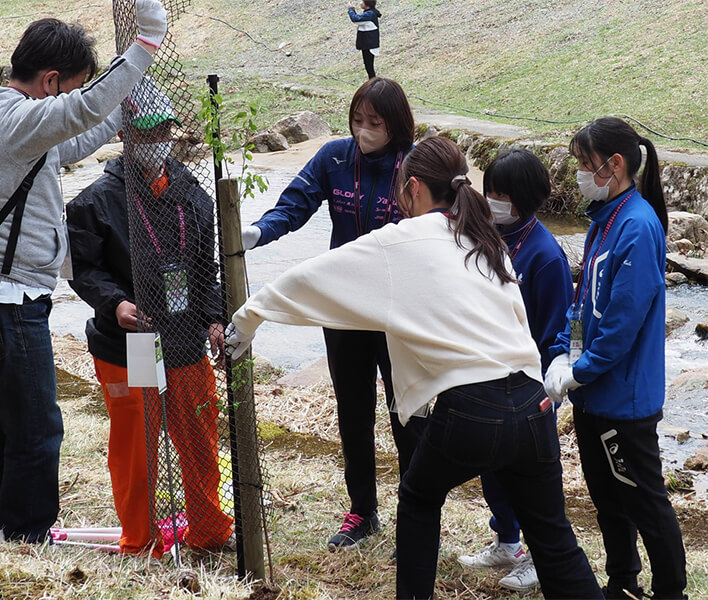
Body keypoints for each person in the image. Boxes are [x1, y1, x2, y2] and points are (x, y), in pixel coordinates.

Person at [227, 136, 604, 599]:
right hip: (532, 403)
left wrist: (246, 319)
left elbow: (311, 278)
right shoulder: (486, 238)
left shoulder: (401, 240)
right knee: (555, 538)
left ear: (413, 188)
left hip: (470, 407)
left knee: (419, 499)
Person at [0, 4, 166, 544]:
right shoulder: (14, 119)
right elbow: (78, 111)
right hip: (5, 298)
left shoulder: (5, 121)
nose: (71, 100)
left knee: (0, 417)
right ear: (49, 82)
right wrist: (146, 44)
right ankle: (25, 534)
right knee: (38, 427)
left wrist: (121, 113)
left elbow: (69, 141)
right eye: (69, 89)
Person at [241, 77, 417, 551]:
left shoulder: (415, 166)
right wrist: (258, 233)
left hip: (399, 310)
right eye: (357, 121)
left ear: (396, 124)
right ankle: (362, 512)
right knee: (352, 410)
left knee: (408, 411)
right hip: (342, 307)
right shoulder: (335, 157)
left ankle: (415, 511)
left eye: (375, 124)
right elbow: (295, 205)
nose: (364, 132)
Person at [66, 79, 233, 555]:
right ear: (124, 136)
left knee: (198, 438)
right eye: (145, 133)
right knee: (138, 445)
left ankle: (208, 530)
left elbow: (209, 267)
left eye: (164, 131)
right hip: (132, 342)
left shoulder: (191, 192)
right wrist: (113, 303)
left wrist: (214, 318)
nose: (157, 140)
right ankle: (140, 538)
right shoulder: (97, 199)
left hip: (185, 338)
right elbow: (84, 269)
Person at [545, 117, 688, 600]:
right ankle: (622, 583)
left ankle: (671, 592)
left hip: (624, 400)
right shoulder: (603, 219)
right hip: (594, 395)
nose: (581, 173)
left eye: (586, 165)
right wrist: (566, 353)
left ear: (615, 164)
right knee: (608, 500)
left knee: (646, 501)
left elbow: (623, 324)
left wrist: (579, 371)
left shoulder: (639, 226)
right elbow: (584, 303)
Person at [457, 149, 574, 592]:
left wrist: (543, 388)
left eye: (501, 195)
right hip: (490, 375)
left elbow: (555, 330)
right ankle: (507, 540)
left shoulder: (545, 256)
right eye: (489, 192)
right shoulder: (494, 237)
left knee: (533, 476)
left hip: (529, 385)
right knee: (493, 466)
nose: (492, 201)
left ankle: (541, 557)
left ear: (523, 198)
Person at [348, 0, 382, 79]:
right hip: (368, 44)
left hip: (369, 45)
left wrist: (351, 9)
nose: (360, 3)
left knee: (369, 67)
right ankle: (372, 83)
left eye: (362, 1)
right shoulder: (370, 13)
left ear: (367, 4)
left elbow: (355, 19)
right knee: (368, 66)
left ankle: (373, 83)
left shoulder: (369, 14)